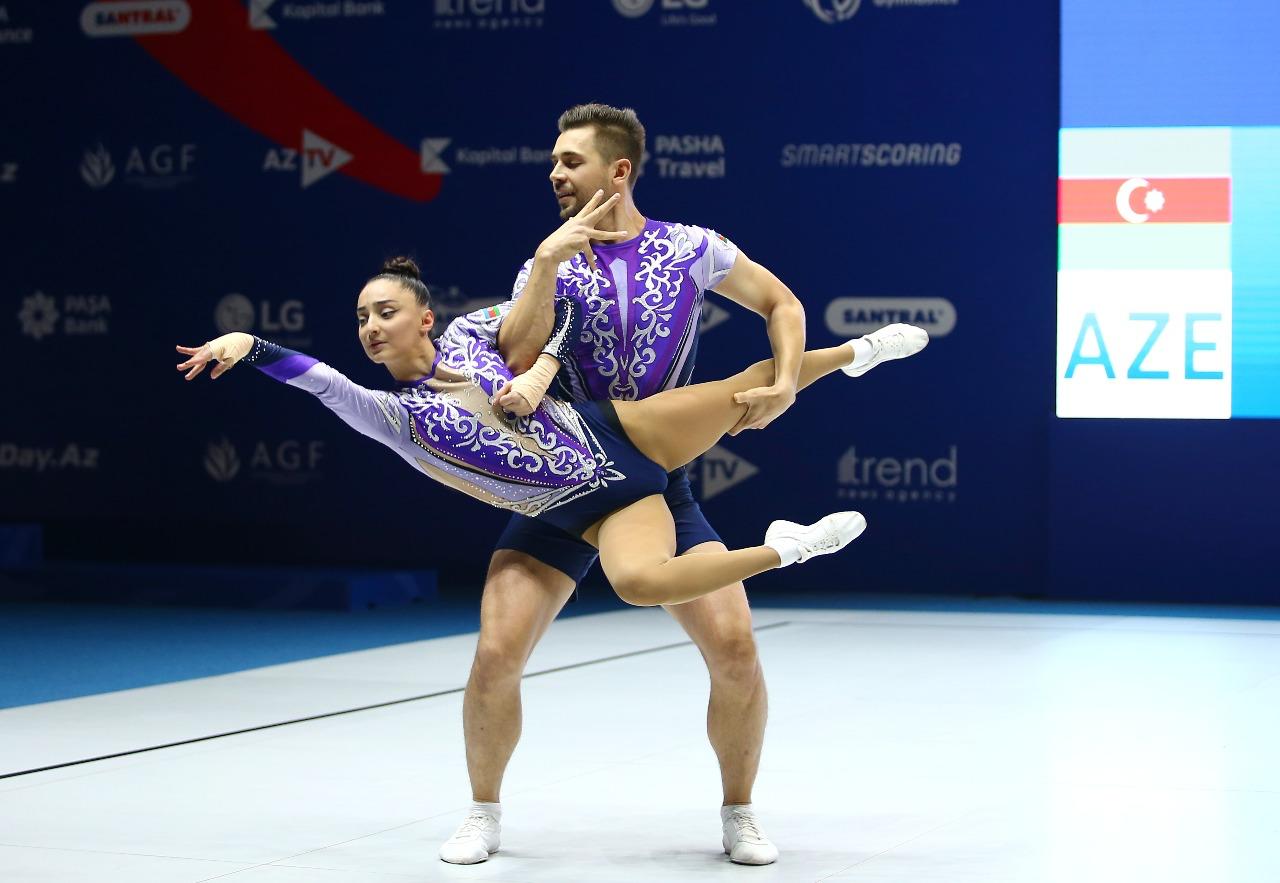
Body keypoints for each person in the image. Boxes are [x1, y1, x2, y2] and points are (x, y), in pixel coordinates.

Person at [435, 104, 927, 866]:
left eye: (570, 161)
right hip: (564, 482)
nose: (555, 173)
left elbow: (781, 303)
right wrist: (544, 264)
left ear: (618, 171)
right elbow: (514, 355)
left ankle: (739, 811)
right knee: (496, 652)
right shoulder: (548, 258)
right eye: (555, 162)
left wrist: (789, 380)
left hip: (656, 480)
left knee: (735, 647)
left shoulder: (693, 248)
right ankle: (481, 812)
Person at [175, 253, 926, 605]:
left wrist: (538, 373)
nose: (372, 327)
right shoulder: (395, 418)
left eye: (386, 311)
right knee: (638, 584)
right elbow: (326, 385)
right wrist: (254, 349)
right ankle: (793, 544)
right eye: (362, 318)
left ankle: (858, 352)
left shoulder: (477, 330)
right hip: (591, 505)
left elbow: (561, 309)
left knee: (745, 390)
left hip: (618, 432)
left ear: (424, 316)